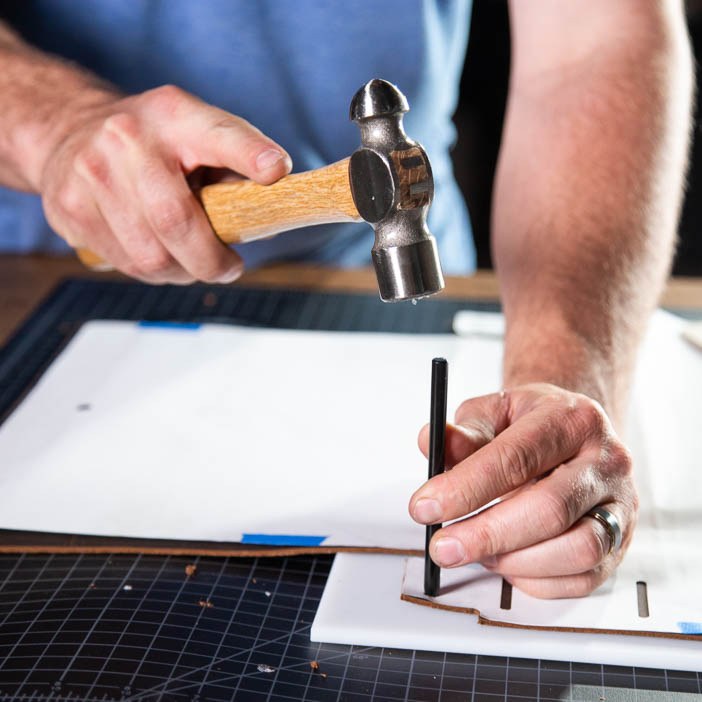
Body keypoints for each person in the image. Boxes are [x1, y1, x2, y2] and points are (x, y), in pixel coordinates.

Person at [0, 1, 692, 598]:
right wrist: (54, 124)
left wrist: (565, 381)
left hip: (382, 283)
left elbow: (593, 42)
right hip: (52, 270)